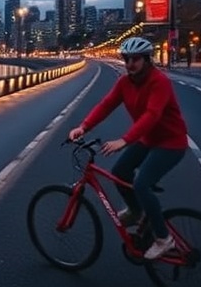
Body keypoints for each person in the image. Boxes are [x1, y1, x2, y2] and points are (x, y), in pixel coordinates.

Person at [68, 37, 189, 260]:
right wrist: (84, 126)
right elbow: (106, 105)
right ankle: (136, 212)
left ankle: (164, 238)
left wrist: (124, 140)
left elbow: (152, 115)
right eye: (127, 59)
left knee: (141, 183)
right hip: (147, 139)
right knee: (120, 172)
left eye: (136, 59)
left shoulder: (159, 81)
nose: (130, 64)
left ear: (146, 59)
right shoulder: (125, 83)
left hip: (171, 142)